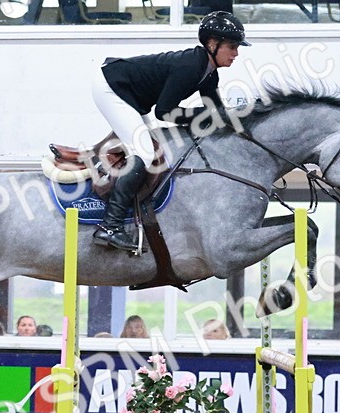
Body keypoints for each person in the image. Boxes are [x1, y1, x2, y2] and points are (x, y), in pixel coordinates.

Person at [91, 11, 249, 252]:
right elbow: (164, 112)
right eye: (232, 46)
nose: (236, 53)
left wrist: (243, 123)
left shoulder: (208, 72)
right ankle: (110, 226)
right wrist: (204, 115)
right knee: (144, 154)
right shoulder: (190, 67)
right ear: (212, 44)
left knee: (155, 149)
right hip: (112, 88)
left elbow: (217, 112)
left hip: (130, 94)